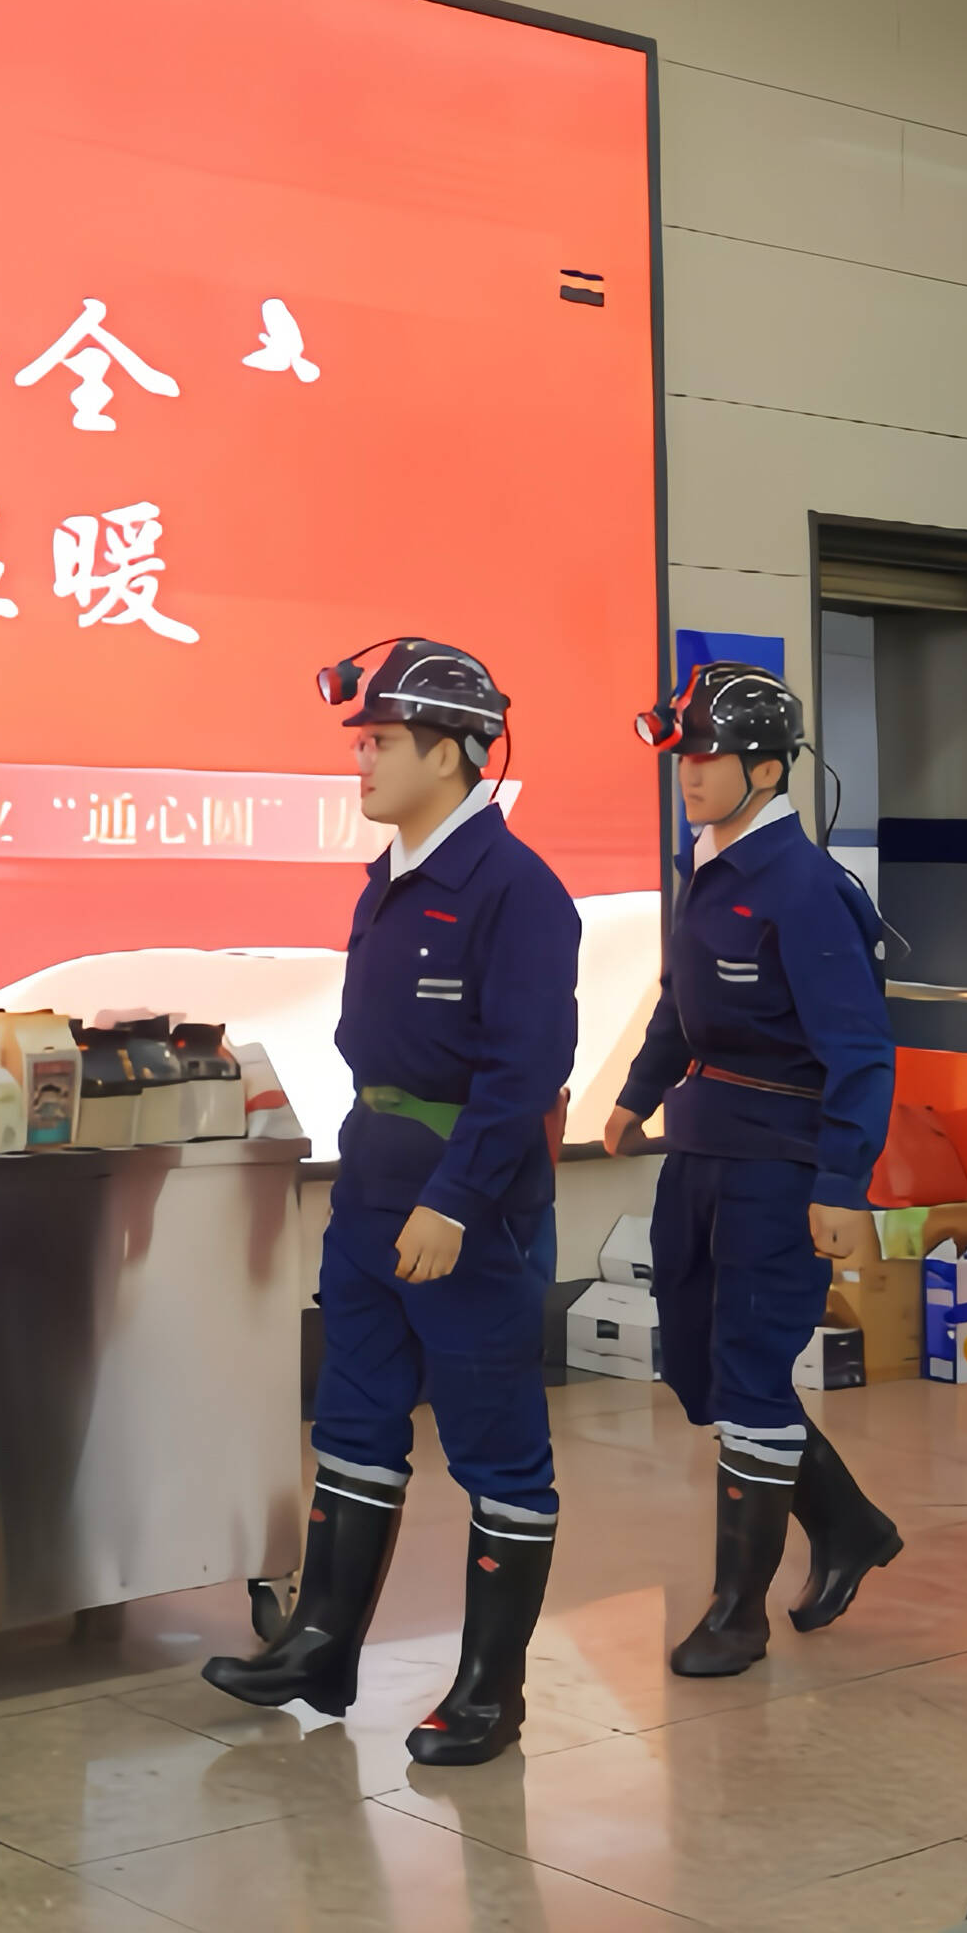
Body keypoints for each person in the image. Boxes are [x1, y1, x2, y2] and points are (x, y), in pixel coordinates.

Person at [204, 637, 582, 1768]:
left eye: (379, 740)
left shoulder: (517, 892)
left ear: (452, 751)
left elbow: (525, 1071)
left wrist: (455, 1201)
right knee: (357, 1422)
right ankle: (320, 1648)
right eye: (359, 740)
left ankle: (490, 1694)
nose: (360, 760)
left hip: (466, 1208)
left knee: (496, 1449)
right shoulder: (389, 879)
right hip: (371, 1189)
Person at [601, 659, 902, 1677]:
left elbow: (861, 1051)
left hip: (779, 1162)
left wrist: (841, 1184)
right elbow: (680, 1003)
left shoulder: (806, 889)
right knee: (698, 1365)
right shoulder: (709, 864)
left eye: (709, 754)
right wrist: (637, 1093)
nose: (688, 771)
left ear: (767, 768)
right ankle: (851, 1525)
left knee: (750, 1371)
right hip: (700, 1147)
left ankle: (738, 1613)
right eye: (682, 754)